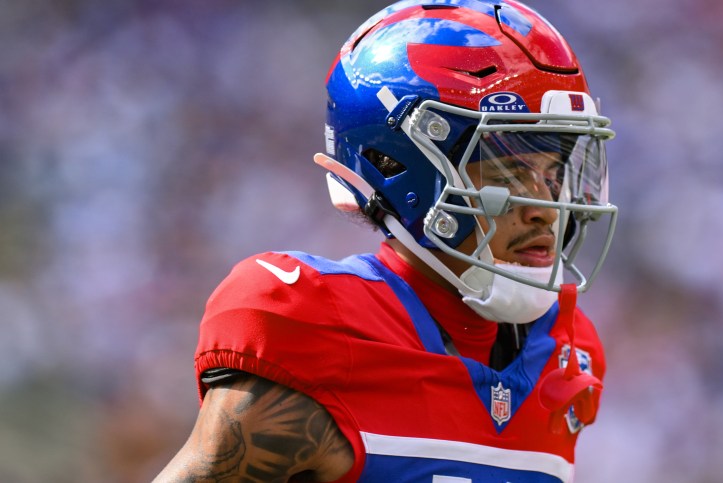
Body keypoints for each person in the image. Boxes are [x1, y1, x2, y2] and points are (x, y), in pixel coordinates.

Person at [155, 0, 617, 481]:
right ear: (397, 165)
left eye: (553, 172)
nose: (545, 207)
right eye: (507, 170)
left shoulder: (565, 348)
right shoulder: (322, 326)